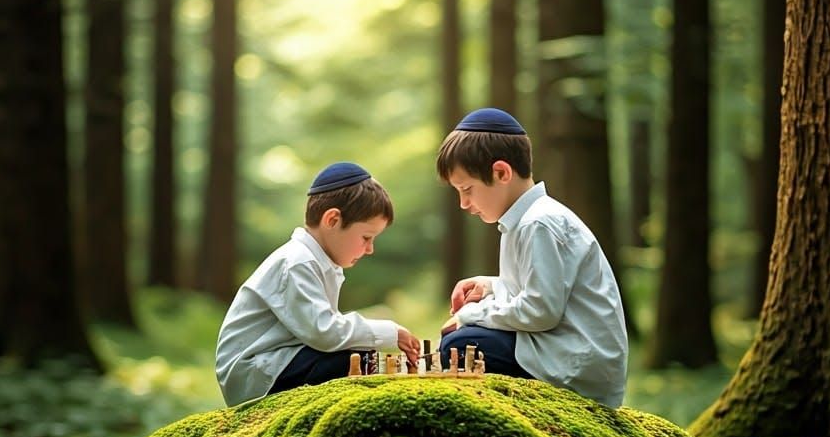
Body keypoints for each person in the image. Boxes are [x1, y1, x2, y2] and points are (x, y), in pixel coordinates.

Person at [436, 107, 628, 407]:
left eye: (467, 189)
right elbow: (540, 290)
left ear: (501, 173)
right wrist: (490, 286)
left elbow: (540, 310)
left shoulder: (538, 223)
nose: (463, 203)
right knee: (460, 343)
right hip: (558, 349)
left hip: (574, 364)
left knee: (460, 344)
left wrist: (471, 315)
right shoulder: (525, 220)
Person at [216, 162, 420, 406]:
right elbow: (324, 332)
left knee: (359, 355)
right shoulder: (297, 262)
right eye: (366, 237)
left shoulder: (317, 262)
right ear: (332, 220)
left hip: (279, 361)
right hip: (256, 372)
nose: (370, 249)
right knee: (353, 359)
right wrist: (389, 332)